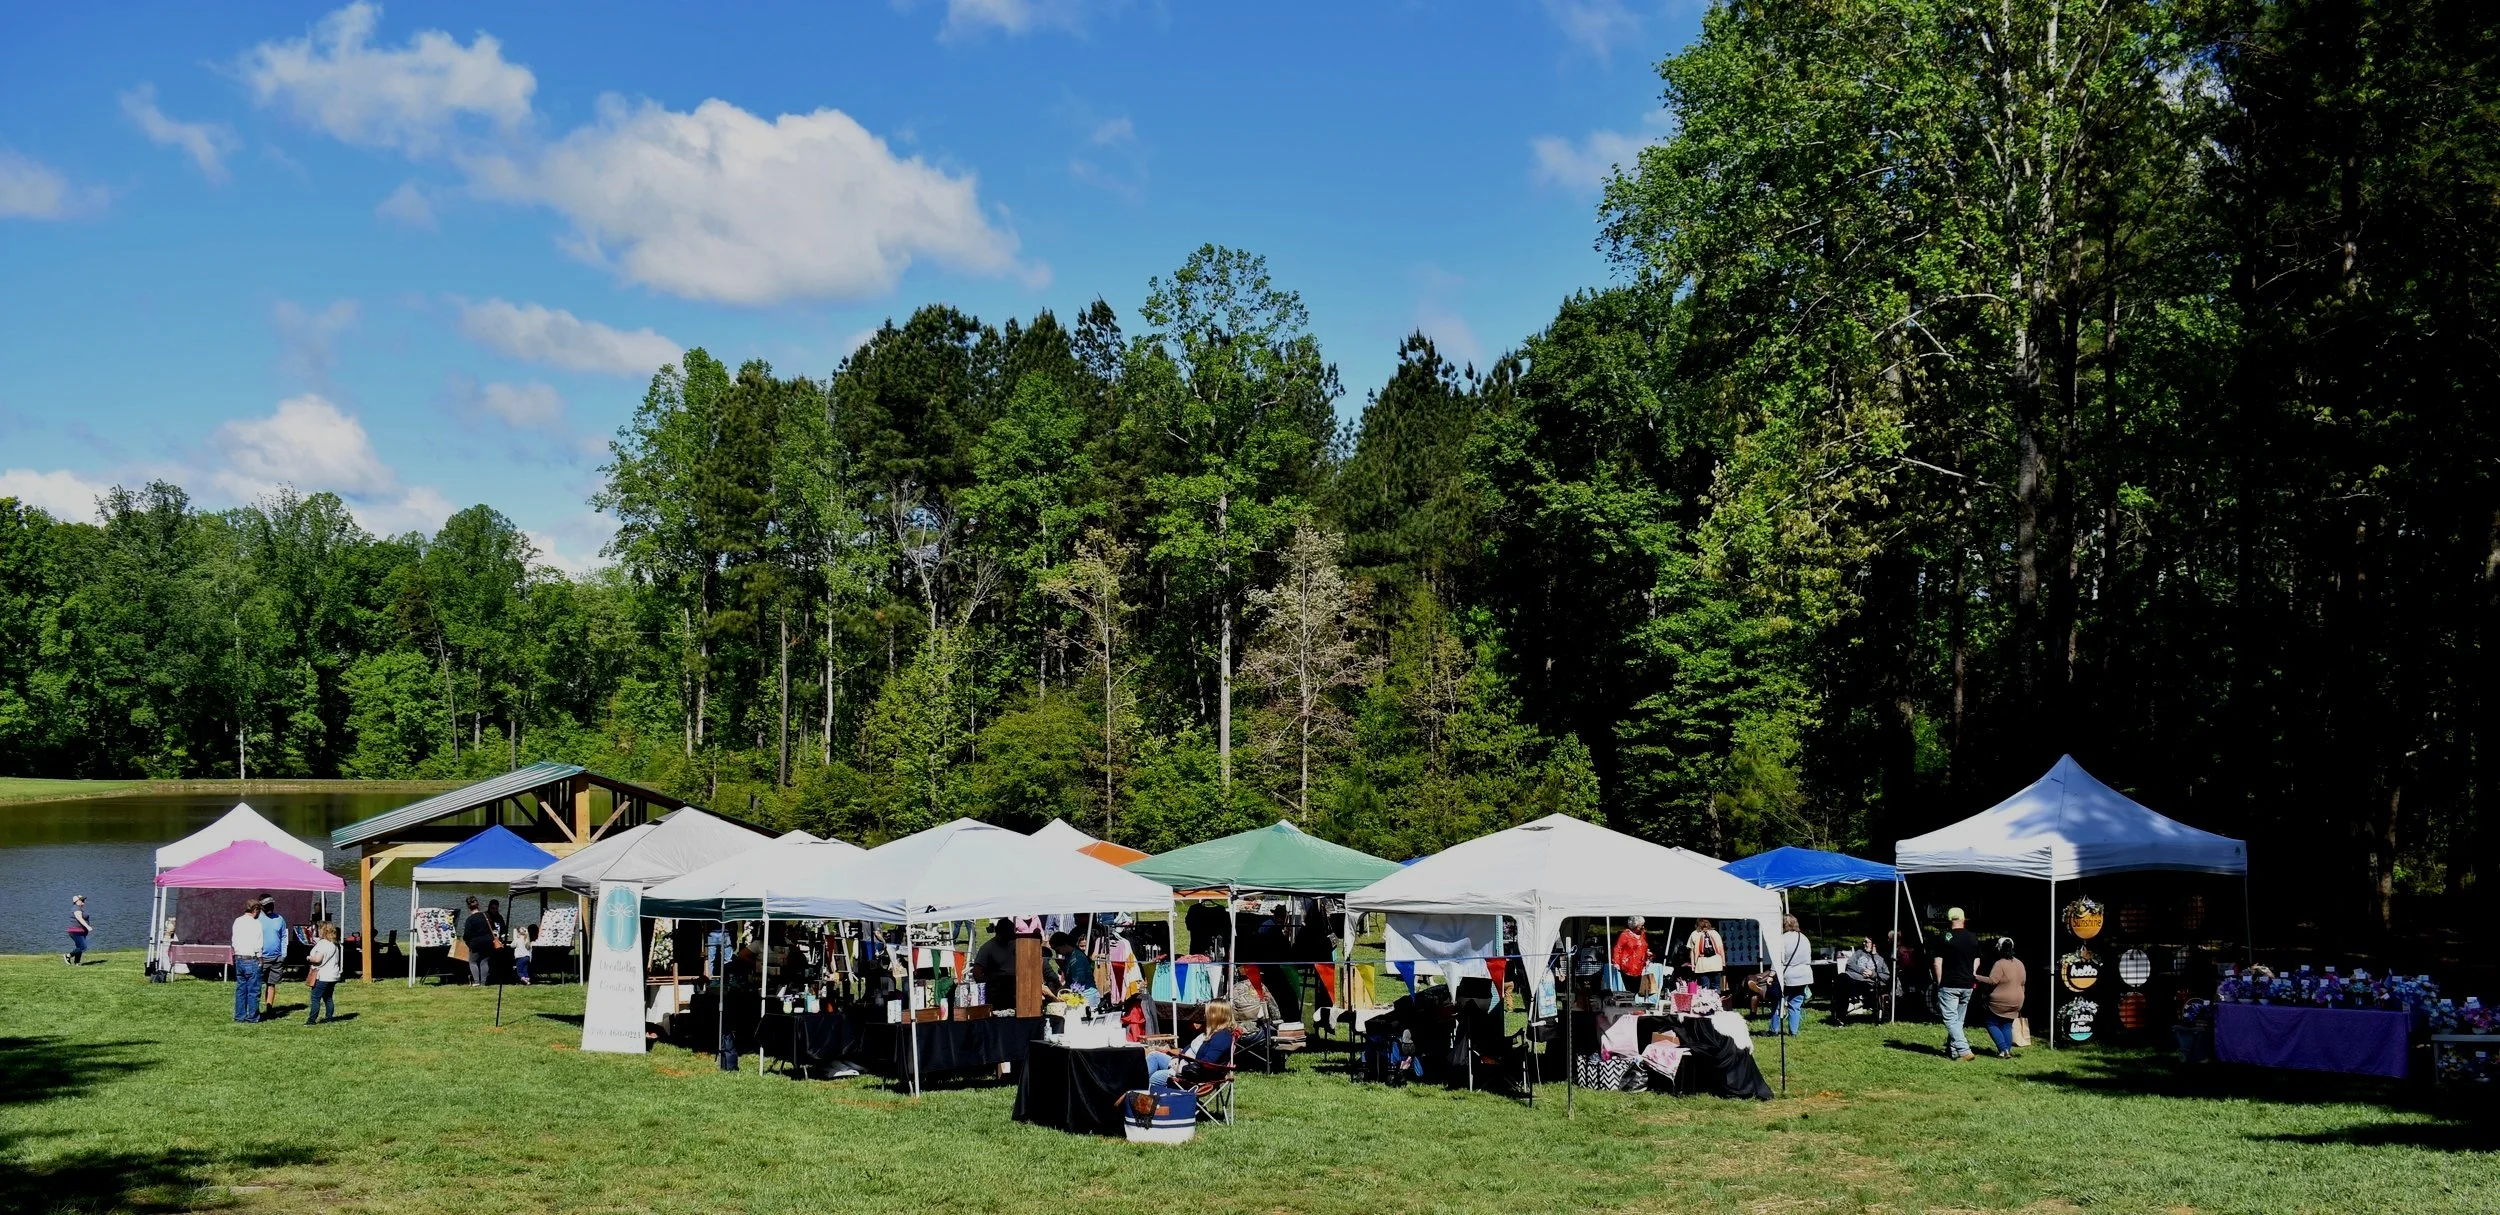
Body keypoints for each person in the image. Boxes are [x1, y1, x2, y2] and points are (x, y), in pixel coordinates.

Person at [1147, 1002, 1237, 1090]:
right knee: (1154, 1056)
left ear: (1215, 1016)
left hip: (1191, 1076)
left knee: (1151, 1079)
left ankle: (1144, 1096)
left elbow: (1205, 1064)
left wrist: (1179, 1068)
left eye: (1207, 1013)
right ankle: (1137, 1088)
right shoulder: (1214, 1032)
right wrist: (1177, 1057)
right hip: (1184, 1063)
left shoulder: (1222, 1038)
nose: (1204, 1016)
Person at [1932, 907, 1983, 1061]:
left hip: (1949, 983)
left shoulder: (1945, 937)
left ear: (1949, 920)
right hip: (1967, 984)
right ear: (1963, 919)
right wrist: (1970, 975)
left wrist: (1940, 981)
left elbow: (1937, 962)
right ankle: (1953, 1051)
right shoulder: (1973, 938)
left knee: (1949, 1018)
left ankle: (1964, 1050)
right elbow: (1977, 960)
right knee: (1958, 1020)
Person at [1973, 936, 2027, 1058]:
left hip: (2000, 1001)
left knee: (1991, 1023)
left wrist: (1976, 976)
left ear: (1999, 949)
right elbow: (2023, 983)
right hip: (2018, 1000)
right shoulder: (2020, 963)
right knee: (2007, 1024)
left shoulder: (2000, 964)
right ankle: (2007, 1050)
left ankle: (2003, 1049)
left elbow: (1992, 981)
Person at [1770, 915, 1814, 1035]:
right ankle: (1793, 1032)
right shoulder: (1804, 938)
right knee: (1796, 1004)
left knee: (1778, 1003)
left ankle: (1774, 1030)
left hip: (1788, 976)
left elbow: (1778, 959)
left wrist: (1771, 974)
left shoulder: (1782, 939)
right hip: (1804, 975)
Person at [229, 900, 265, 1023]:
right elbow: (258, 944)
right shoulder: (256, 924)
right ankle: (253, 1016)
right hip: (251, 958)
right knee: (253, 990)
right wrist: (260, 959)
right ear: (255, 910)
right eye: (259, 910)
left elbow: (234, 940)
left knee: (241, 989)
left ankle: (239, 1016)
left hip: (239, 957)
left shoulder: (237, 921)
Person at [972, 918, 1018, 1004]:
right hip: (996, 991)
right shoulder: (987, 948)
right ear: (1000, 932)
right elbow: (977, 972)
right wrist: (988, 987)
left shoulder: (1018, 945)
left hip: (1017, 987)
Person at [258, 896, 289, 1016]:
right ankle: (254, 1008)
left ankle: (269, 1008)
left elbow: (283, 936)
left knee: (271, 984)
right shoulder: (257, 919)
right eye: (267, 905)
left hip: (277, 958)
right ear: (261, 906)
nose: (270, 907)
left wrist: (283, 953)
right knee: (257, 984)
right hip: (261, 958)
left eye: (271, 904)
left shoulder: (279, 919)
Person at [305, 924, 342, 1024]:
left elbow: (317, 959)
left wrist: (309, 958)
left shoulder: (323, 944)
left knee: (315, 997)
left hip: (323, 976)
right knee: (328, 997)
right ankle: (329, 1018)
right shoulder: (334, 944)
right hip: (333, 976)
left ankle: (311, 1020)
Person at [1047, 931, 1096, 1003]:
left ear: (1064, 945)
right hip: (1078, 994)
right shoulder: (1069, 956)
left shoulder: (1077, 959)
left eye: (1057, 949)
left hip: (1086, 996)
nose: (1057, 953)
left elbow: (1078, 983)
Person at [461, 896, 495, 986]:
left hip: (476, 942)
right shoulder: (486, 915)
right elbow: (493, 927)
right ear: (478, 905)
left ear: (468, 907)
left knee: (473, 961)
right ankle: (483, 983)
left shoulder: (469, 919)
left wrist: (465, 940)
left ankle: (476, 982)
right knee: (484, 961)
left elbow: (467, 934)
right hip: (488, 941)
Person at [1685, 918, 1727, 991]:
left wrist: (1693, 964)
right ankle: (1715, 1001)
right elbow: (1721, 949)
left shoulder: (1694, 934)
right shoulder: (1715, 933)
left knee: (1704, 988)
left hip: (1702, 964)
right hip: (1716, 963)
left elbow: (1692, 951)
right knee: (1716, 987)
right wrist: (1723, 962)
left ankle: (1705, 1002)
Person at [1613, 916, 1649, 989]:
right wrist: (1616, 963)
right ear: (1635, 925)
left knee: (1637, 988)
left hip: (1640, 966)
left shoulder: (1642, 934)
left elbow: (1644, 946)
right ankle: (1630, 1000)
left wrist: (1647, 954)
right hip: (1628, 966)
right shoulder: (1625, 935)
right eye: (1641, 925)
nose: (1643, 927)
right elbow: (1617, 949)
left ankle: (1633, 999)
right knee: (1630, 988)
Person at [65, 895, 92, 965]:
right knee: (83, 947)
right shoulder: (76, 909)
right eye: (82, 900)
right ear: (76, 901)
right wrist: (88, 926)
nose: (83, 902)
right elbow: (80, 919)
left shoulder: (79, 908)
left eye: (84, 900)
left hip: (81, 931)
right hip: (76, 931)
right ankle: (68, 956)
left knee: (79, 947)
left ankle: (77, 962)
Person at [511, 920, 534, 985]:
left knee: (520, 971)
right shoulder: (527, 940)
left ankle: (525, 981)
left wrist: (515, 938)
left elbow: (512, 946)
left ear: (518, 933)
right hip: (527, 957)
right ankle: (527, 979)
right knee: (525, 971)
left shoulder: (517, 940)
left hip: (520, 957)